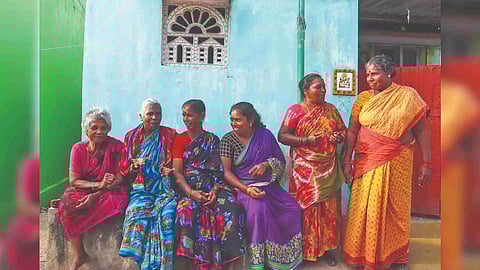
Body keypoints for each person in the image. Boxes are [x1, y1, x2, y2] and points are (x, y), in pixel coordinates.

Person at [342, 55, 432, 270]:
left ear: (389, 72)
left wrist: (427, 163)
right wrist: (347, 161)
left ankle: (397, 258)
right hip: (367, 160)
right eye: (367, 74)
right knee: (365, 208)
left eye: (375, 73)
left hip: (398, 159)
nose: (370, 78)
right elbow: (353, 130)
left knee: (395, 209)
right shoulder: (363, 99)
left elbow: (421, 129)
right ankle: (363, 255)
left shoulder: (408, 96)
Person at [219, 102, 303, 270]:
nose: (233, 124)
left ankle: (284, 259)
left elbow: (279, 160)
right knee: (258, 210)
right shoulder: (228, 140)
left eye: (238, 120)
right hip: (242, 187)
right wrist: (247, 189)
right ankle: (258, 264)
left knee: (292, 208)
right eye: (231, 120)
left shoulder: (264, 135)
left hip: (269, 186)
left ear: (250, 120)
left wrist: (266, 165)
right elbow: (226, 173)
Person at [278, 73, 346, 266]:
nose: (323, 90)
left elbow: (342, 131)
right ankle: (304, 250)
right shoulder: (295, 110)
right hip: (305, 170)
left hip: (328, 167)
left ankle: (326, 249)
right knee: (306, 209)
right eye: (318, 87)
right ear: (306, 91)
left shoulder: (331, 110)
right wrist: (305, 140)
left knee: (328, 211)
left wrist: (337, 137)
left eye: (324, 87)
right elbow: (282, 136)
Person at [173, 99, 246, 269]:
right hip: (188, 188)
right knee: (185, 211)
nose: (186, 119)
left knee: (231, 208)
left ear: (201, 116)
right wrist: (191, 193)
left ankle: (227, 263)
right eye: (184, 115)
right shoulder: (179, 140)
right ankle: (191, 264)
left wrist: (214, 190)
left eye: (190, 115)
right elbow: (177, 172)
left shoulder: (212, 140)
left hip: (214, 187)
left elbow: (219, 171)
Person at [56, 107, 129, 270]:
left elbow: (120, 177)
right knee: (67, 204)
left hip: (112, 191)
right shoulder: (78, 149)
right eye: (94, 127)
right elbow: (74, 180)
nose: (99, 132)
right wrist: (96, 186)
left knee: (115, 202)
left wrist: (96, 195)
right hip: (88, 188)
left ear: (109, 129)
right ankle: (79, 254)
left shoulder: (117, 147)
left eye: (103, 128)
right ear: (86, 129)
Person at [119, 98, 177, 270]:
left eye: (158, 114)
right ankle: (141, 263)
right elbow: (125, 168)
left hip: (164, 189)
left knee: (167, 217)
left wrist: (170, 171)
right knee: (135, 213)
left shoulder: (170, 135)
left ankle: (163, 265)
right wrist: (134, 167)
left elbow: (179, 164)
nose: (154, 118)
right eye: (150, 114)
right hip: (140, 188)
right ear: (141, 116)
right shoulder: (131, 137)